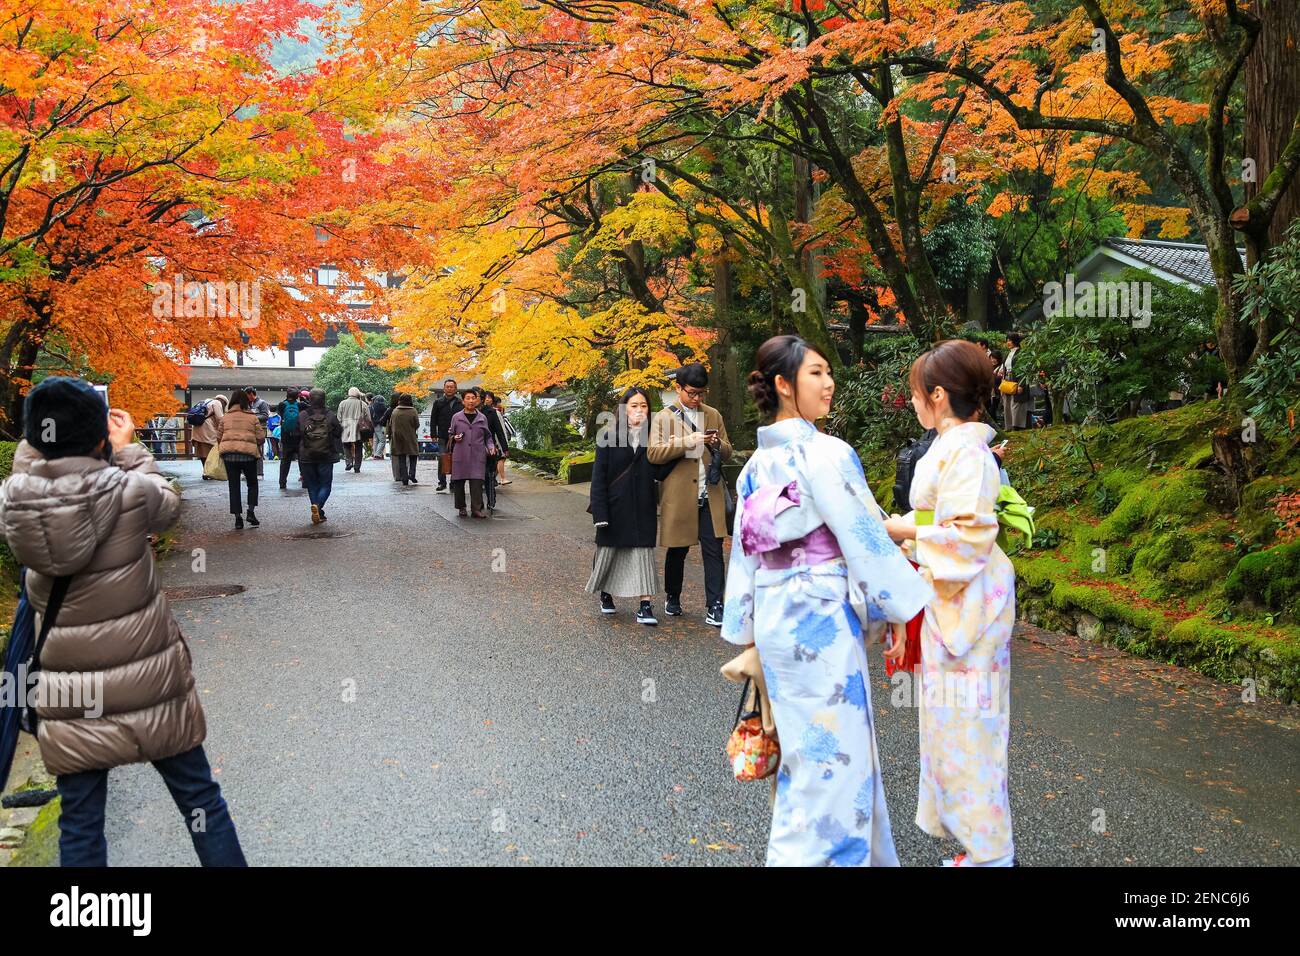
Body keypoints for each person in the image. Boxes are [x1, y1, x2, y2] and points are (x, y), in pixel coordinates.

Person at [0, 377, 246, 867]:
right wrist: (128, 449)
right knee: (200, 801)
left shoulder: (16, 501)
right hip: (150, 681)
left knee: (81, 823)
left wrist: (56, 442)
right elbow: (167, 504)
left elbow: (39, 469)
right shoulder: (129, 489)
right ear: (97, 437)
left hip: (71, 694)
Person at [721, 337, 932, 866]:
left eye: (829, 372)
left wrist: (746, 631)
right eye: (816, 373)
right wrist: (895, 607)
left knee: (812, 753)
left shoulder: (753, 469)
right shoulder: (827, 453)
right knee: (834, 761)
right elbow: (862, 533)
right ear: (783, 385)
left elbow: (743, 559)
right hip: (819, 615)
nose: (829, 383)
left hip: (774, 619)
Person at [881, 338, 1017, 867]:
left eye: (916, 392)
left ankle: (991, 855)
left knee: (971, 732)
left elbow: (968, 534)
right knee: (956, 728)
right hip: (954, 599)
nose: (913, 400)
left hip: (969, 604)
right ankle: (977, 847)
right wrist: (903, 530)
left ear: (937, 395)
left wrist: (901, 530)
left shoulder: (966, 452)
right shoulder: (955, 447)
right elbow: (946, 526)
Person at [647, 363, 732, 626]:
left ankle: (716, 604)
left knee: (714, 549)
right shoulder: (663, 417)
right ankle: (673, 596)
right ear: (678, 388)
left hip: (711, 491)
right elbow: (654, 453)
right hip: (679, 493)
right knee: (678, 549)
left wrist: (718, 444)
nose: (697, 398)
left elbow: (728, 451)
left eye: (701, 393)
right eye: (692, 393)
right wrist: (688, 441)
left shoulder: (713, 415)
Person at [586, 387, 660, 625]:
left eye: (644, 406)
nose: (639, 410)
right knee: (609, 553)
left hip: (644, 503)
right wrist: (599, 511)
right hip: (615, 505)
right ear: (624, 409)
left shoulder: (655, 437)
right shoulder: (608, 436)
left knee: (643, 554)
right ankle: (606, 593)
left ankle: (645, 605)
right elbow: (598, 478)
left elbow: (662, 469)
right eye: (634, 406)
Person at [217, 389, 265, 530]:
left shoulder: (225, 417)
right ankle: (250, 512)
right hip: (248, 455)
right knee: (252, 483)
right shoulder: (252, 417)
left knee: (234, 486)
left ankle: (238, 518)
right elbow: (261, 438)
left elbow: (219, 437)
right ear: (245, 401)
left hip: (229, 456)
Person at [449, 387, 497, 518]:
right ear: (463, 401)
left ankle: (476, 509)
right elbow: (451, 433)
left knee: (477, 482)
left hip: (477, 454)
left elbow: (488, 436)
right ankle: (461, 507)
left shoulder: (482, 418)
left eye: (473, 398)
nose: (470, 401)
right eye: (468, 398)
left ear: (477, 401)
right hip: (461, 453)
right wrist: (454, 437)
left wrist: (491, 446)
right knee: (458, 482)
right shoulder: (456, 417)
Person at [298, 388, 343, 524]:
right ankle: (318, 507)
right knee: (325, 485)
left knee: (312, 484)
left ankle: (317, 508)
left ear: (310, 399)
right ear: (324, 399)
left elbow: (296, 433)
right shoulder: (330, 415)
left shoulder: (303, 415)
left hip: (307, 454)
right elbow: (338, 432)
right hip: (326, 455)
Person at [430, 379, 463, 492]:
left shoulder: (460, 403)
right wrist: (433, 434)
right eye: (447, 387)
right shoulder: (438, 402)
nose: (449, 389)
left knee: (456, 459)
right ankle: (442, 482)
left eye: (451, 387)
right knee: (442, 458)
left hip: (457, 436)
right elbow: (433, 419)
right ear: (444, 389)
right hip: (443, 435)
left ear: (455, 389)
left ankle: (454, 482)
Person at [481, 390, 509, 511]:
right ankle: (478, 503)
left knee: (489, 475)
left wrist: (504, 448)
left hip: (490, 448)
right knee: (477, 477)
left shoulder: (492, 412)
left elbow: (499, 430)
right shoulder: (467, 413)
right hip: (474, 449)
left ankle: (491, 500)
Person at [999, 332, 1031, 431]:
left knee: (1016, 404)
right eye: (1007, 340)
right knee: (1007, 403)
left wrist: (1021, 384)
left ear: (1015, 341)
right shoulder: (1007, 354)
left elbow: (1024, 370)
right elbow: (1004, 369)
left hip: (1016, 378)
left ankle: (1016, 426)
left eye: (1010, 340)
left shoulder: (1022, 353)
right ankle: (1008, 426)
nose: (1008, 342)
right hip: (1007, 379)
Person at [191, 393, 227, 478]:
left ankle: (205, 471)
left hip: (197, 429)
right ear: (223, 402)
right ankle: (209, 472)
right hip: (207, 430)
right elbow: (220, 418)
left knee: (202, 452)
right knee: (211, 451)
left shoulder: (204, 402)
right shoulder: (217, 403)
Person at [388, 393, 421, 486]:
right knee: (413, 456)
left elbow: (391, 424)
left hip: (398, 438)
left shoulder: (395, 411)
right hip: (411, 436)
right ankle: (412, 473)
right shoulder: (413, 411)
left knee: (401, 457)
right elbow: (417, 425)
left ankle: (404, 477)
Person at [276, 387, 303, 490]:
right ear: (297, 396)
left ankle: (282, 483)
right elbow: (310, 409)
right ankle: (305, 482)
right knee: (302, 460)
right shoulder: (301, 405)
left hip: (286, 436)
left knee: (285, 461)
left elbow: (280, 414)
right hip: (298, 436)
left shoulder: (282, 405)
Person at [337, 386, 367, 473]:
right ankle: (357, 466)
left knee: (346, 445)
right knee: (358, 446)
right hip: (359, 427)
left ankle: (349, 462)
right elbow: (367, 417)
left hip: (345, 426)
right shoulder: (363, 404)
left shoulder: (342, 403)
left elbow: (339, 417)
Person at [369, 392, 389, 460]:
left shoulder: (371, 406)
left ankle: (375, 453)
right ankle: (378, 455)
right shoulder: (382, 406)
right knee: (382, 440)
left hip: (374, 424)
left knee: (376, 440)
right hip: (380, 424)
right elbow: (386, 415)